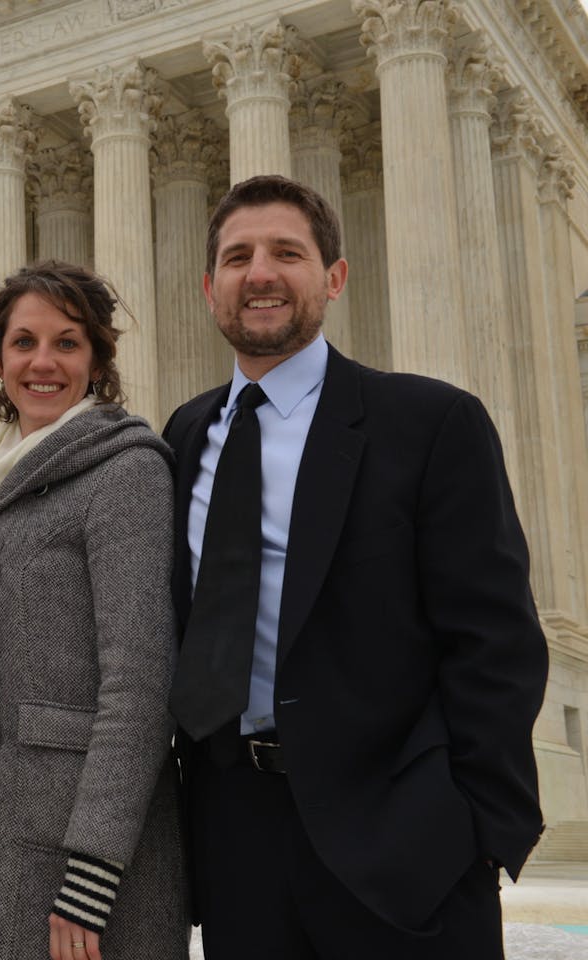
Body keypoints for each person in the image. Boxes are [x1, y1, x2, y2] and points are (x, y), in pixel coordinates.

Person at [164, 174, 548, 960]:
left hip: (402, 841)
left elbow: (496, 641)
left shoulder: (430, 422)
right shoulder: (183, 434)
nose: (260, 273)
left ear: (333, 278)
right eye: (237, 257)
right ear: (210, 289)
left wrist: (471, 826)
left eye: (286, 253)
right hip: (238, 839)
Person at [0, 261, 187, 960]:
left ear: (97, 359)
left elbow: (139, 686)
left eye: (67, 342)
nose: (43, 362)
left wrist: (89, 878)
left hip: (88, 868)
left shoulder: (128, 472)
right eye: (23, 343)